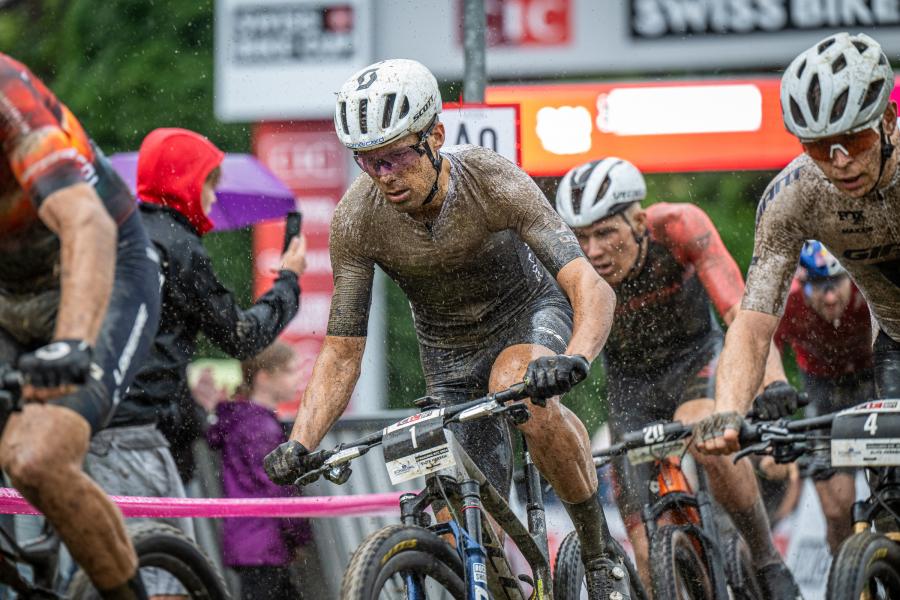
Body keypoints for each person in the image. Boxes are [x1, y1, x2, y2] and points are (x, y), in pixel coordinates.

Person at [264, 59, 629, 599]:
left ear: (435, 135)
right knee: (459, 519)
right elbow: (342, 352)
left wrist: (575, 356)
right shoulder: (356, 220)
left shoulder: (492, 180)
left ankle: (597, 553)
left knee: (516, 384)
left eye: (395, 157)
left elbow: (589, 285)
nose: (384, 176)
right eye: (368, 162)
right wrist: (301, 441)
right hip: (448, 357)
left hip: (527, 315)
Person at [696, 29, 900, 582]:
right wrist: (731, 410)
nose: (837, 163)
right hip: (895, 339)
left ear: (887, 120)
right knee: (891, 501)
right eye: (816, 146)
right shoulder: (795, 197)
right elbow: (752, 319)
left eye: (852, 143)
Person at [553, 157, 801, 596]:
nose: (592, 251)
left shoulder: (681, 226)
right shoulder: (572, 264)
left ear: (639, 221)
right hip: (630, 386)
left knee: (709, 439)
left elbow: (741, 315)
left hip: (695, 363)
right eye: (581, 237)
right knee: (646, 549)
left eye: (605, 232)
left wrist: (773, 382)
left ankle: (765, 558)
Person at [81, 127, 307, 597]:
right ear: (183, 181)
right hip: (131, 436)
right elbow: (243, 337)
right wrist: (289, 281)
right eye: (208, 182)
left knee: (107, 568)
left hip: (86, 423)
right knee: (165, 574)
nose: (211, 196)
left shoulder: (118, 230)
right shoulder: (178, 248)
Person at [0, 53, 161, 599]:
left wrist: (71, 343)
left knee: (36, 458)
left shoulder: (7, 95)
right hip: (9, 292)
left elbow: (85, 221)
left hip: (101, 267)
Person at [756, 241, 873, 553]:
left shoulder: (870, 289)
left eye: (836, 283)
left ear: (851, 276)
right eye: (819, 287)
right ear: (803, 284)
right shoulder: (790, 301)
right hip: (823, 391)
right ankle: (848, 574)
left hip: (874, 379)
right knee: (837, 511)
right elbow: (763, 353)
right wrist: (773, 425)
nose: (830, 297)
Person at [206, 342, 311, 600]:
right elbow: (278, 487)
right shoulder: (262, 428)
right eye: (290, 371)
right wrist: (299, 534)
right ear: (264, 377)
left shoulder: (237, 420)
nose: (298, 377)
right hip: (265, 544)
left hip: (251, 542)